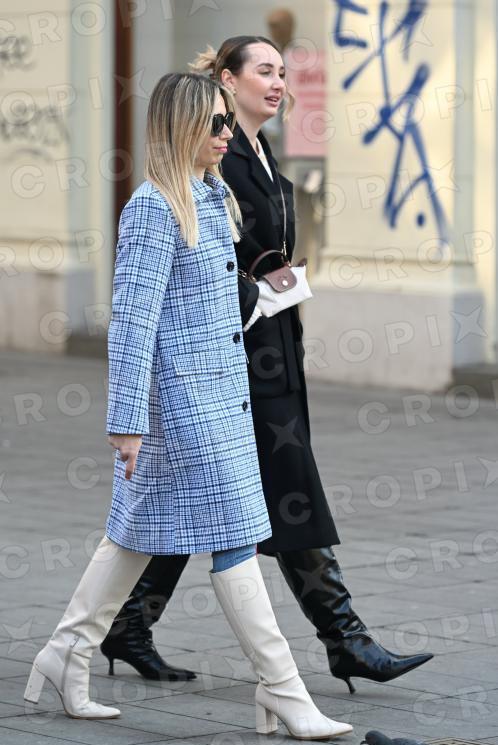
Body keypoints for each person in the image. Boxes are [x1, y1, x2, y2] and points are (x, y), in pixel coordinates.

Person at [24, 72, 352, 741]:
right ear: (180, 127)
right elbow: (132, 322)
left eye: (228, 122)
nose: (227, 134)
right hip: (180, 408)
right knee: (232, 537)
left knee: (132, 536)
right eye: (214, 123)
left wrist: (265, 295)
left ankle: (67, 653)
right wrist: (126, 422)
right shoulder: (153, 207)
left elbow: (211, 303)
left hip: (222, 398)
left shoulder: (211, 195)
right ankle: (282, 691)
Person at [101, 37, 433, 695]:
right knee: (286, 486)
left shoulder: (256, 152)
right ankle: (344, 640)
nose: (279, 83)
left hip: (273, 344)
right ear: (227, 80)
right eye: (264, 71)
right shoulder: (211, 164)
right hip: (234, 354)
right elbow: (191, 273)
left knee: (209, 495)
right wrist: (257, 291)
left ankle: (128, 623)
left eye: (283, 72)